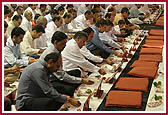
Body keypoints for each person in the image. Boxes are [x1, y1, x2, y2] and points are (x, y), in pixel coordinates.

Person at [16, 52, 81, 111]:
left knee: (61, 93)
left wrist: (63, 97)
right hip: (25, 101)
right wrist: (68, 99)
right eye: (57, 66)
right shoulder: (39, 70)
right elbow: (48, 91)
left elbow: (49, 87)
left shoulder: (45, 67)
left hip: (38, 94)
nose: (58, 69)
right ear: (50, 62)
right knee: (49, 102)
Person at [40, 31, 94, 97]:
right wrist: (81, 80)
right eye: (63, 43)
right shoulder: (52, 53)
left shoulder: (56, 50)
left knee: (77, 72)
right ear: (56, 42)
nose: (65, 45)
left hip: (58, 74)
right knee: (70, 89)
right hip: (50, 80)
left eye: (65, 43)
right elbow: (61, 76)